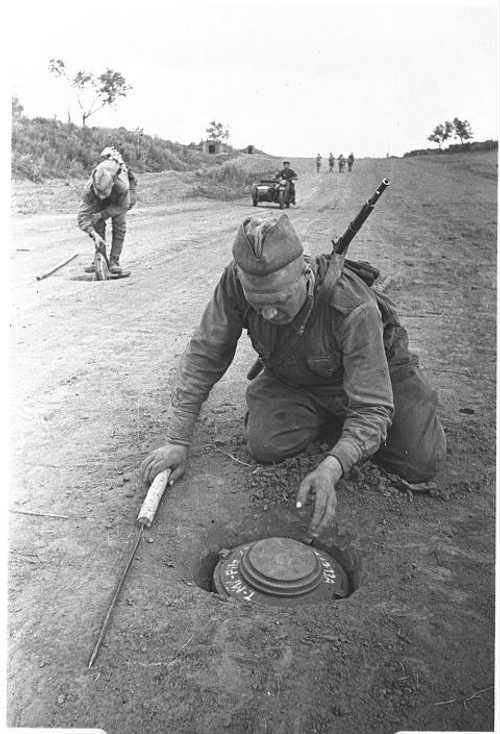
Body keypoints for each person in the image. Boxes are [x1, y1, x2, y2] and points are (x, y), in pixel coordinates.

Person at [141, 214, 446, 537]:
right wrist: (177, 441)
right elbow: (205, 354)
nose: (269, 314)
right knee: (266, 444)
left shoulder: (353, 307)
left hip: (379, 373)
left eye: (280, 300)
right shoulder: (236, 281)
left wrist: (334, 465)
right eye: (258, 304)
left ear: (305, 274)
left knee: (420, 461)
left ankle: (371, 423)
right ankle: (339, 423)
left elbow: (372, 406)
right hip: (299, 377)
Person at [77, 147, 137, 277]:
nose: (101, 196)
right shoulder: (89, 189)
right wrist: (93, 233)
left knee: (119, 224)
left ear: (111, 185)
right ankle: (101, 259)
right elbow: (82, 216)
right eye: (98, 193)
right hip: (107, 193)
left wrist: (102, 214)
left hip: (120, 200)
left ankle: (114, 261)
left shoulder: (122, 186)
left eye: (104, 193)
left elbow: (123, 206)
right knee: (96, 221)